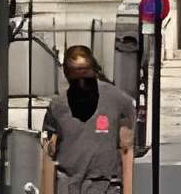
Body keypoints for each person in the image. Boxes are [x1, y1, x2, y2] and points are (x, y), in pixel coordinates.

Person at [40, 45, 135, 194]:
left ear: (94, 72)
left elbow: (126, 151)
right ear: (67, 75)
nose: (82, 83)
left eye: (85, 74)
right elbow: (48, 156)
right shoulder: (57, 106)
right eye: (75, 77)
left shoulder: (118, 101)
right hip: (68, 186)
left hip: (104, 186)